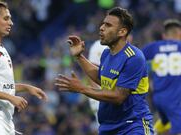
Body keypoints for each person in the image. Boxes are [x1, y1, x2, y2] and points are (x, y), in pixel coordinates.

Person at [55, 7, 154, 135]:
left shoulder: (134, 57)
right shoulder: (107, 53)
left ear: (122, 32)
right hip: (108, 127)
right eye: (103, 23)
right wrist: (79, 57)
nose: (101, 27)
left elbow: (119, 97)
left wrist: (82, 89)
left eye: (108, 25)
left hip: (132, 125)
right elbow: (102, 79)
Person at [0, 2, 48, 135]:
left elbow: (2, 86)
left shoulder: (2, 50)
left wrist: (27, 88)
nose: (11, 23)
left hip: (5, 118)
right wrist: (11, 98)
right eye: (6, 18)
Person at [142, 19, 181, 135]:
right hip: (175, 98)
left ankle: (151, 132)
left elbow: (136, 60)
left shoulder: (154, 47)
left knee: (165, 121)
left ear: (164, 36)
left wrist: (148, 78)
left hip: (158, 97)